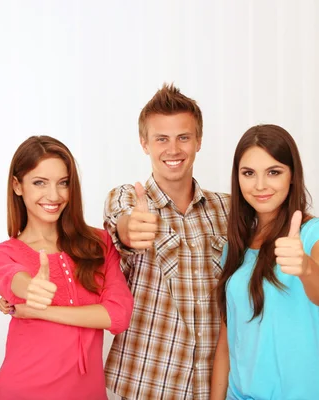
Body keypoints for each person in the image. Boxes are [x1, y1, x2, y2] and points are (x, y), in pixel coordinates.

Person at [103, 83, 230, 400]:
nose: (173, 150)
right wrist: (131, 229)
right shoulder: (128, 197)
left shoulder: (228, 209)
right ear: (144, 143)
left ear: (198, 141)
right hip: (145, 385)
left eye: (183, 137)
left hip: (213, 387)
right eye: (162, 139)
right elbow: (123, 226)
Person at [0, 135, 134, 400]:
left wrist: (41, 311)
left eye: (63, 183)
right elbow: (9, 279)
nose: (54, 195)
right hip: (22, 391)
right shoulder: (0, 254)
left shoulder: (98, 243)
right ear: (17, 186)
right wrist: (29, 288)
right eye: (39, 182)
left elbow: (118, 316)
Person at [210, 124, 319, 400]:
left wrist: (305, 266)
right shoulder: (233, 248)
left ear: (292, 175)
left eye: (274, 172)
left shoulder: (317, 233)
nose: (260, 185)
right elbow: (226, 341)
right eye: (249, 173)